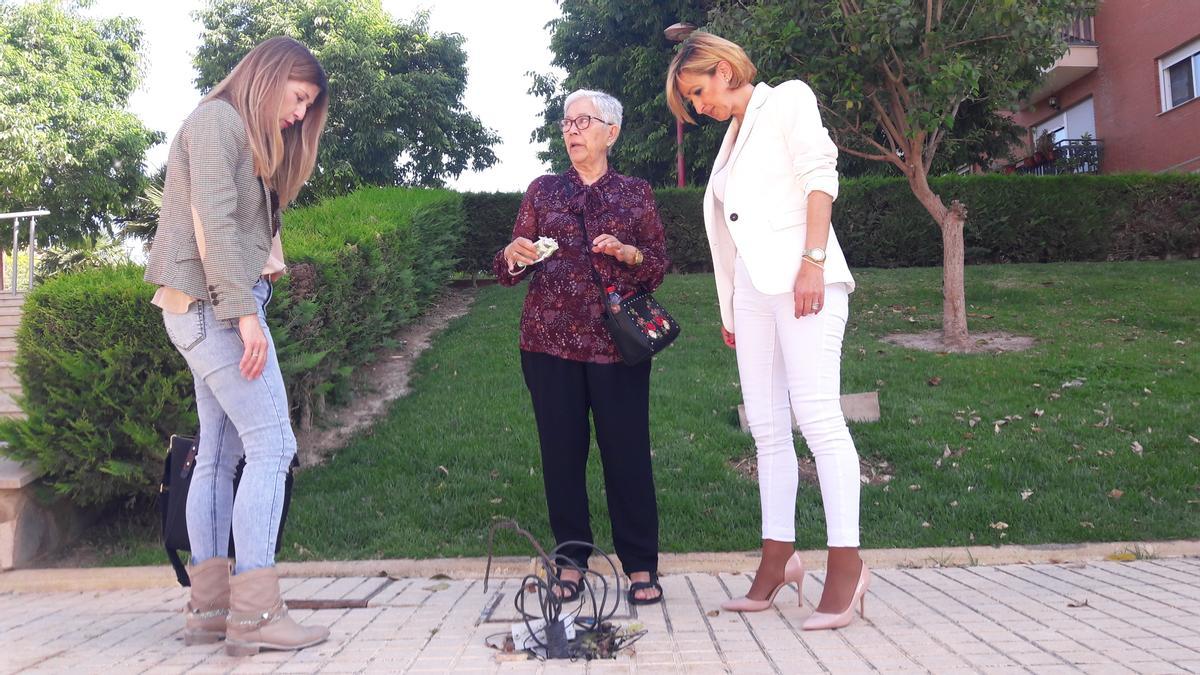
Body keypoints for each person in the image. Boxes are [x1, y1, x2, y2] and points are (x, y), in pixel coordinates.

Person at [666, 32, 868, 629]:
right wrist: (733, 310)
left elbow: (819, 177)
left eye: (699, 92)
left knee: (818, 417)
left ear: (726, 70)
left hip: (805, 280)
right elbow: (733, 228)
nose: (698, 107)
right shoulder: (731, 136)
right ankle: (778, 560)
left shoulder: (787, 101)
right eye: (690, 99)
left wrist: (813, 260)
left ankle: (847, 565)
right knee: (767, 428)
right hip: (753, 296)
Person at [144, 36, 331, 655]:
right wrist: (246, 314)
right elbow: (216, 224)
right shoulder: (219, 118)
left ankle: (211, 608)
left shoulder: (225, 127)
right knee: (273, 444)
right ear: (269, 76)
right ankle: (255, 616)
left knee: (220, 454)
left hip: (201, 308)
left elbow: (232, 223)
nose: (300, 114)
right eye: (298, 98)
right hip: (217, 309)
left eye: (309, 107)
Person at [494, 89, 669, 606]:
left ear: (610, 133)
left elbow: (657, 264)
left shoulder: (635, 193)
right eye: (567, 122)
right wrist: (513, 253)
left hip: (617, 345)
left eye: (583, 121)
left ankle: (640, 565)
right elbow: (507, 271)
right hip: (548, 344)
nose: (571, 130)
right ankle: (570, 561)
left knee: (627, 453)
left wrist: (628, 252)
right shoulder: (543, 191)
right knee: (561, 456)